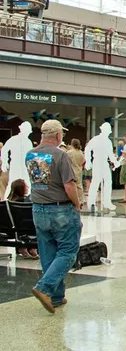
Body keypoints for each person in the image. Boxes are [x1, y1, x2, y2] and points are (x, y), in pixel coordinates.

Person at [26, 119, 82, 313]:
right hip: (61, 210)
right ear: (58, 135)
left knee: (48, 253)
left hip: (38, 209)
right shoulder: (61, 155)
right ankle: (44, 288)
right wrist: (77, 203)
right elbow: (69, 185)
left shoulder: (30, 155)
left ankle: (56, 297)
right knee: (68, 251)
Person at [7, 178, 39, 259]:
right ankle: (33, 248)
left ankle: (24, 248)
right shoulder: (24, 202)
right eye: (26, 186)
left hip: (12, 230)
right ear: (21, 188)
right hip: (27, 230)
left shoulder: (9, 202)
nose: (28, 187)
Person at [66, 139, 84, 209]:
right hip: (79, 170)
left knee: (72, 185)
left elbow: (66, 160)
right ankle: (81, 200)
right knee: (79, 186)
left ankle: (73, 200)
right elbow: (83, 161)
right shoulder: (80, 152)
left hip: (71, 170)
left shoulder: (69, 152)